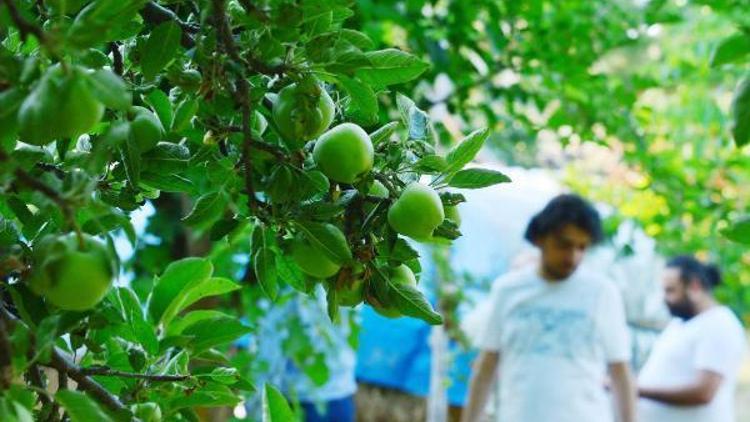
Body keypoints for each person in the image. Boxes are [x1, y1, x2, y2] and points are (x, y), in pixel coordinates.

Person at [461, 194, 636, 422]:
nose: (573, 257)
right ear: (539, 239)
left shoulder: (602, 293)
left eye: (582, 247)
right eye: (564, 244)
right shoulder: (508, 290)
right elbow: (487, 365)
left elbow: (620, 372)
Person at [637, 256, 746, 422]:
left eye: (670, 290)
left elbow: (703, 392)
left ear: (694, 287)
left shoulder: (719, 324)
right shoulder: (681, 322)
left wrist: (635, 389)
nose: (665, 298)